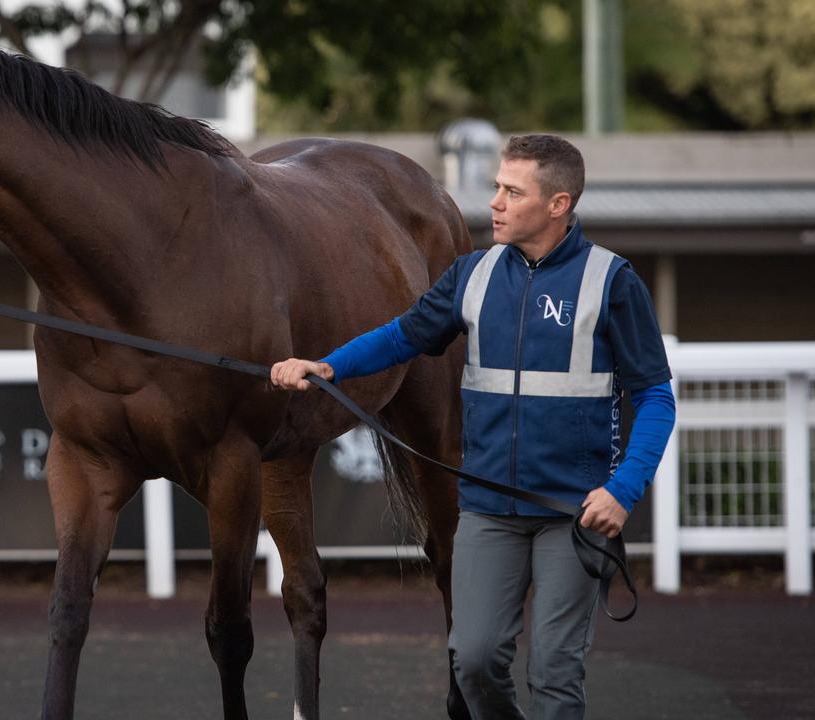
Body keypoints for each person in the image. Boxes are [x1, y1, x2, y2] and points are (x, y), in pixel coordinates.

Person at [271, 134, 676, 720]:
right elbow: (401, 336)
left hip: (574, 512)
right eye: (496, 188)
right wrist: (328, 364)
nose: (496, 204)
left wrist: (623, 489)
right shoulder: (472, 275)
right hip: (487, 511)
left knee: (554, 674)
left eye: (513, 191)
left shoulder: (612, 283)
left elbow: (656, 398)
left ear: (558, 204)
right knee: (476, 662)